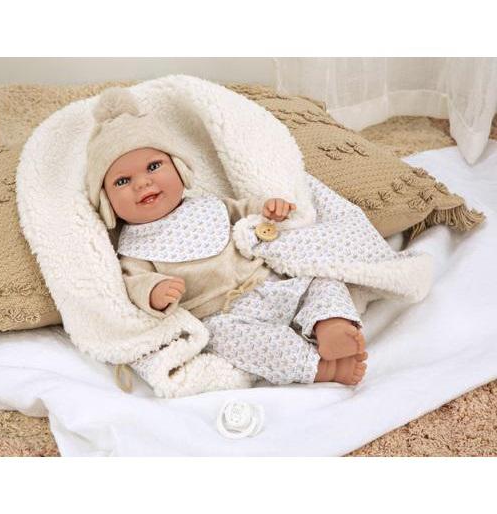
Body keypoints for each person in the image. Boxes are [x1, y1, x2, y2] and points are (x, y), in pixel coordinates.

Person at [86, 89, 368, 386]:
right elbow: (135, 282)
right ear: (106, 202)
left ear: (180, 169)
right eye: (122, 181)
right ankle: (318, 367)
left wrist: (268, 209)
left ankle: (330, 324)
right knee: (226, 340)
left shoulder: (209, 204)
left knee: (322, 278)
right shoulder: (134, 247)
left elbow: (243, 211)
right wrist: (155, 292)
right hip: (226, 314)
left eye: (154, 166)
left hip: (273, 282)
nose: (143, 183)